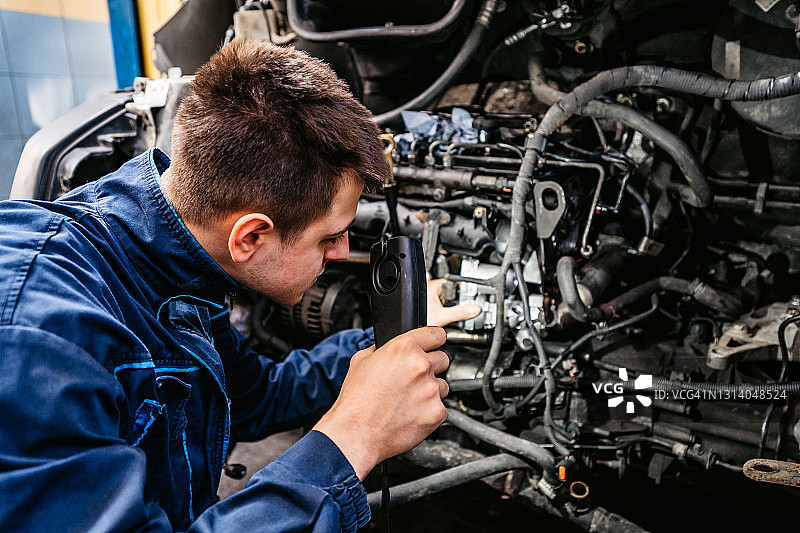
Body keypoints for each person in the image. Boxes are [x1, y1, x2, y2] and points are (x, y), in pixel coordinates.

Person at [0, 40, 479, 532]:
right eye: (330, 237)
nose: (340, 254)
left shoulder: (176, 264)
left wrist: (383, 347)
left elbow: (254, 399)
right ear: (249, 236)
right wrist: (353, 438)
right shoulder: (37, 342)